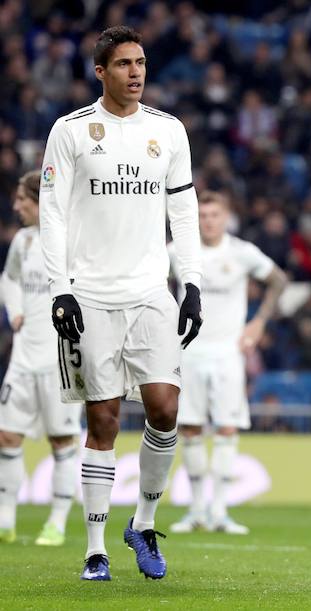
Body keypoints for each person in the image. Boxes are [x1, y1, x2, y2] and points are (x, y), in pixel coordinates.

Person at [39, 26, 202, 581]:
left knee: (165, 408)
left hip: (151, 293)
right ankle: (95, 548)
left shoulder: (169, 131)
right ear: (100, 71)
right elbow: (53, 214)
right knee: (102, 419)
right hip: (89, 295)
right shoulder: (71, 131)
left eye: (142, 62)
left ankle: (144, 523)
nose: (136, 72)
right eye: (124, 63)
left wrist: (193, 282)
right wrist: (59, 286)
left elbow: (183, 212)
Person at [168, 190, 286, 535]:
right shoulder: (178, 253)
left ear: (226, 217)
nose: (208, 221)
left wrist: (259, 321)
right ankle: (195, 510)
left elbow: (278, 280)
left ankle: (219, 510)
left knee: (226, 428)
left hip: (227, 354)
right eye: (203, 215)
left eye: (214, 215)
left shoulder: (241, 252)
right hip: (187, 353)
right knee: (189, 429)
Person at [0, 171, 82, 547]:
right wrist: (14, 309)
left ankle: (57, 523)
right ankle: (5, 521)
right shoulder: (23, 241)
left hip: (60, 360)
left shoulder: (72, 239)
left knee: (62, 441)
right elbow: (9, 278)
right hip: (23, 357)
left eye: (22, 200)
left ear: (40, 200)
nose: (16, 207)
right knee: (6, 436)